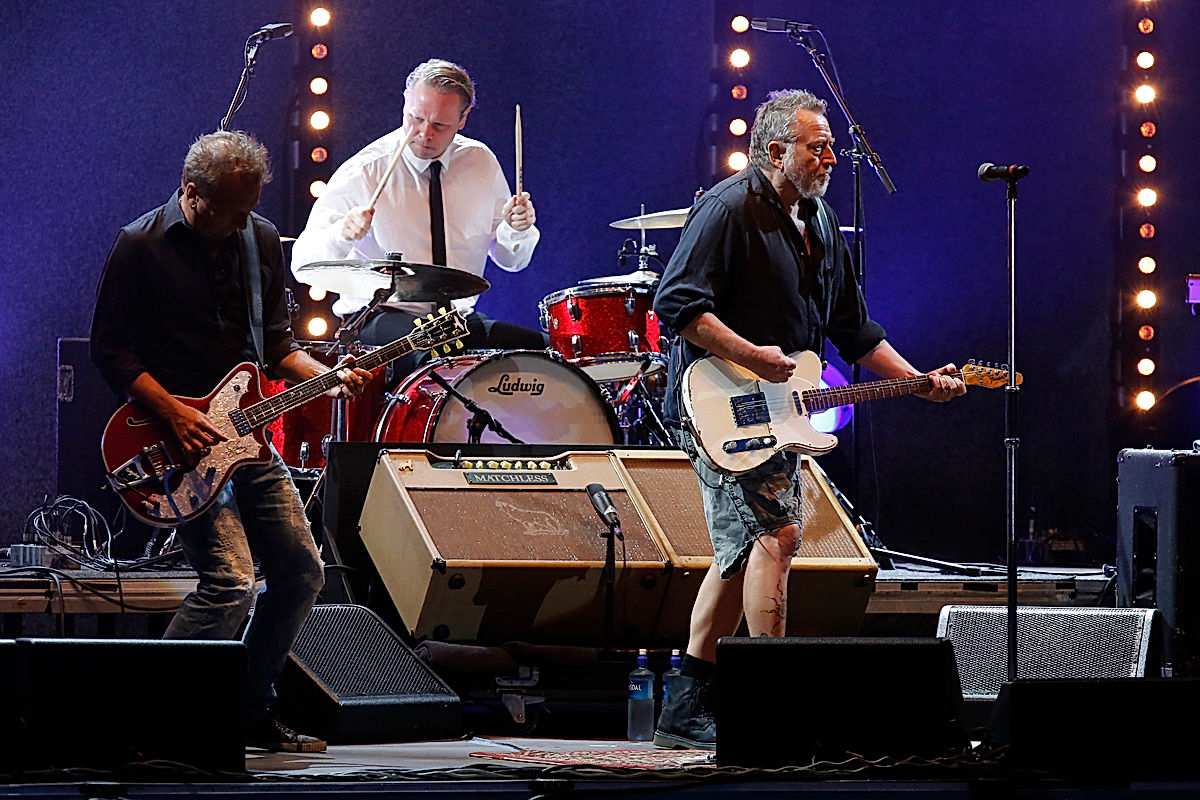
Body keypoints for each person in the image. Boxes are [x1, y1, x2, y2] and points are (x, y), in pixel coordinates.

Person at [651, 90, 966, 750]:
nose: (830, 157)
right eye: (817, 146)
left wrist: (915, 381)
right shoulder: (728, 208)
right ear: (776, 151)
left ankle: (687, 703)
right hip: (717, 402)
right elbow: (677, 304)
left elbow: (852, 330)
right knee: (780, 534)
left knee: (740, 550)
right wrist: (750, 356)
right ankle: (769, 692)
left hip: (782, 410)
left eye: (830, 145)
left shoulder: (819, 221)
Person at [90, 130, 374, 753]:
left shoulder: (260, 238)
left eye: (250, 208)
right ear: (192, 194)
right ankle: (142, 715)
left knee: (302, 573)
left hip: (246, 436)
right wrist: (172, 413)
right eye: (232, 210)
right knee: (231, 583)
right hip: (174, 443)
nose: (243, 221)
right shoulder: (139, 246)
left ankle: (247, 712)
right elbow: (110, 350)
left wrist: (326, 379)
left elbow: (275, 344)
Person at [292, 57, 545, 385]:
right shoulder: (365, 170)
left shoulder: (480, 162)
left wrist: (517, 229)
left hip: (456, 322)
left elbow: (512, 262)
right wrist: (342, 234)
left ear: (463, 119)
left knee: (549, 358)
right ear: (405, 103)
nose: (424, 133)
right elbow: (302, 264)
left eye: (439, 125)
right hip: (380, 319)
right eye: (415, 118)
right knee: (438, 363)